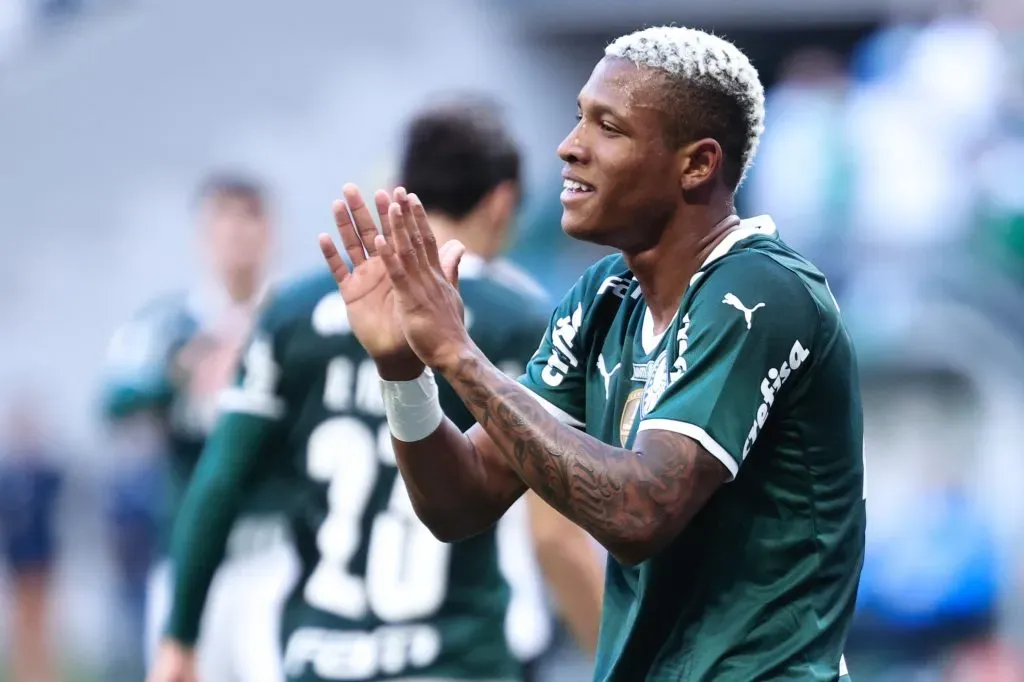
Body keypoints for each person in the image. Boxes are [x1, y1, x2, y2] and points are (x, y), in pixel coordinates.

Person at [320, 25, 866, 681]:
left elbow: (641, 513)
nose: (569, 147)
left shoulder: (764, 290)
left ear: (697, 164)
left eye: (608, 126)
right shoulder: (604, 294)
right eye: (580, 117)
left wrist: (460, 357)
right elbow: (460, 503)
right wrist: (403, 369)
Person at [148, 99, 603, 682]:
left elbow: (217, 483)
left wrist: (179, 639)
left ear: (401, 186)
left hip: (322, 652)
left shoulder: (292, 312)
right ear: (502, 203)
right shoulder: (519, 320)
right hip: (459, 653)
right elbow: (552, 534)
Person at [102, 174, 298, 682]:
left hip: (275, 553)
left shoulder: (292, 316)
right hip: (189, 557)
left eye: (249, 218)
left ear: (271, 230)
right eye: (224, 219)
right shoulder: (170, 325)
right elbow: (114, 402)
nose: (237, 234)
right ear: (202, 233)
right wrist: (180, 372)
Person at [0, 399, 63, 682]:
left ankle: (43, 675)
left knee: (43, 623)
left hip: (43, 556)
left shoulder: (45, 474)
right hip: (17, 557)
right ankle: (23, 674)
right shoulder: (8, 477)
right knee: (20, 623)